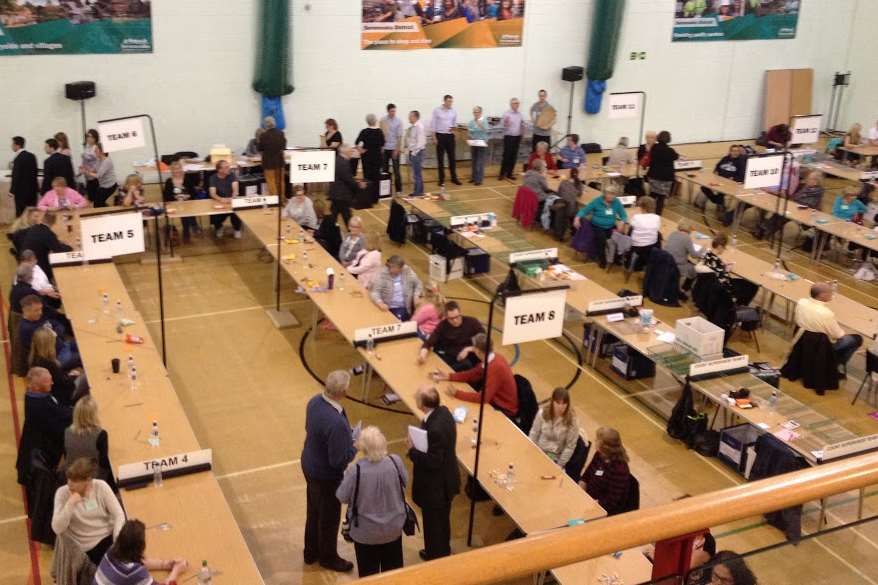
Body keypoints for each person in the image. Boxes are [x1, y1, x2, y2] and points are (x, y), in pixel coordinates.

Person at [301, 370, 358, 572]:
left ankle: (310, 551)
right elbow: (338, 461)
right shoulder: (336, 423)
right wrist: (354, 445)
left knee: (313, 510)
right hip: (325, 475)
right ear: (342, 392)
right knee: (329, 518)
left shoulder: (315, 402)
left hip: (309, 463)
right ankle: (328, 557)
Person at [336, 426, 407, 577]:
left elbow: (342, 496)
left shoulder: (355, 470)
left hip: (365, 532)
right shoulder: (396, 462)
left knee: (369, 575)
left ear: (363, 448)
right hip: (393, 528)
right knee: (394, 574)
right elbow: (404, 483)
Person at [407, 385, 459, 560]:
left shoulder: (435, 429)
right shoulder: (444, 412)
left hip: (436, 488)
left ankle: (436, 556)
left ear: (422, 404)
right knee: (441, 522)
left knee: (434, 524)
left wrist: (412, 451)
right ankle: (439, 550)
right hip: (447, 480)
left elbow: (433, 461)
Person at [52, 458, 124, 566]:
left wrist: (116, 539)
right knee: (119, 567)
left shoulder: (101, 486)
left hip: (109, 536)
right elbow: (57, 528)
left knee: (133, 558)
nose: (69, 484)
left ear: (88, 480)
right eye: (69, 479)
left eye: (75, 481)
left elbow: (119, 514)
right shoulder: (62, 493)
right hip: (89, 547)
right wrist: (70, 503)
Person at [432, 333, 519, 418]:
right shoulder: (493, 358)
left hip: (503, 410)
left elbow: (483, 398)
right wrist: (449, 376)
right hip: (494, 401)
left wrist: (457, 394)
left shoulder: (496, 367)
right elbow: (471, 374)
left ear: (477, 350)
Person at [16, 367, 73, 483]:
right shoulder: (39, 405)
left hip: (37, 451)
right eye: (48, 381)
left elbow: (58, 411)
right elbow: (58, 423)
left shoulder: (35, 395)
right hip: (40, 459)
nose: (52, 383)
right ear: (36, 386)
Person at [92, 519, 189, 585]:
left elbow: (142, 562)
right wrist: (176, 570)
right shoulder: (132, 571)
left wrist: (167, 564)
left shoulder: (112, 550)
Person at [795, 282, 863, 372]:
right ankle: (834, 364)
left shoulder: (801, 302)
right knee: (856, 339)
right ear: (822, 295)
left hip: (801, 338)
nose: (832, 294)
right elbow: (838, 336)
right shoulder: (826, 313)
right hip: (819, 345)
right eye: (830, 292)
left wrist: (822, 286)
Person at [578, 427, 632, 516]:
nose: (595, 441)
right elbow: (586, 476)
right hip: (588, 498)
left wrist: (589, 505)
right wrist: (581, 488)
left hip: (601, 508)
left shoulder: (620, 470)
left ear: (605, 446)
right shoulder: (600, 454)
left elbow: (610, 501)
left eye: (597, 440)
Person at [758, 170, 824, 240]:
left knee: (782, 216)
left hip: (804, 215)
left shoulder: (817, 192)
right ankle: (765, 229)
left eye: (810, 178)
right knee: (780, 213)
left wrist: (794, 204)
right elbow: (796, 197)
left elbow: (807, 205)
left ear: (816, 182)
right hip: (796, 209)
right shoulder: (806, 188)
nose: (807, 180)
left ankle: (765, 230)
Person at [418, 300, 485, 370]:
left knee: (466, 365)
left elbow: (485, 342)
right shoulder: (442, 325)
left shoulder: (473, 323)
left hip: (469, 359)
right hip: (450, 358)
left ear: (460, 312)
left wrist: (468, 349)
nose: (455, 320)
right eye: (451, 319)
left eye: (457, 317)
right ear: (446, 317)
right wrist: (422, 355)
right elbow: (429, 342)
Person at [19, 295, 80, 370]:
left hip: (63, 346)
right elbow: (41, 351)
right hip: (58, 357)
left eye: (40, 309)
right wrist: (54, 334)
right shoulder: (27, 329)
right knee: (84, 356)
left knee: (83, 342)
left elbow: (58, 324)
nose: (40, 312)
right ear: (26, 311)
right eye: (36, 310)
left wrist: (55, 333)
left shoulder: (37, 317)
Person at [695, 233, 759, 306]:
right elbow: (724, 280)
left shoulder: (707, 254)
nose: (724, 250)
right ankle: (739, 306)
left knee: (745, 283)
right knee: (753, 286)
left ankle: (738, 305)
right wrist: (725, 270)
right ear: (719, 247)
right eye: (724, 247)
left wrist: (722, 266)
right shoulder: (718, 263)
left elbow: (714, 267)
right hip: (723, 287)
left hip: (712, 285)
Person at [575, 187, 628, 268]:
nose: (611, 196)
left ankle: (616, 259)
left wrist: (622, 221)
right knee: (601, 240)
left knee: (621, 237)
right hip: (597, 226)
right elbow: (584, 210)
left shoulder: (616, 202)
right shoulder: (597, 201)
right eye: (609, 194)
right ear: (604, 194)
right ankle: (602, 260)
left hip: (610, 226)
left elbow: (623, 215)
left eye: (613, 194)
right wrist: (577, 218)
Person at [528, 387, 580, 467]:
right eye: (558, 403)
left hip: (555, 456)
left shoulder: (572, 421)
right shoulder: (542, 413)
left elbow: (570, 447)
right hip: (538, 449)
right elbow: (534, 433)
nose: (560, 407)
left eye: (564, 404)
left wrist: (559, 465)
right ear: (552, 402)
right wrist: (530, 449)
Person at [29, 328, 78, 406]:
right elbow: (65, 384)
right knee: (84, 379)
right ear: (48, 345)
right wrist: (72, 376)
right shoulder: (49, 365)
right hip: (61, 396)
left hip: (56, 390)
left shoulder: (33, 359)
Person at [20, 212, 73, 281]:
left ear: (42, 219)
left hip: (25, 261)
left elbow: (51, 243)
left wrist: (58, 242)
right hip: (37, 266)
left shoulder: (34, 228)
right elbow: (59, 251)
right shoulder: (48, 233)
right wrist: (69, 247)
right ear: (54, 222)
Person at [369, 255, 424, 321]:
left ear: (401, 268)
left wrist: (416, 295)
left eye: (394, 267)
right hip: (389, 307)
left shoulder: (407, 271)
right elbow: (375, 292)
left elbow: (418, 283)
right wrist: (380, 303)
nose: (391, 269)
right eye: (389, 267)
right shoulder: (382, 274)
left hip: (404, 307)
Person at [700, 144, 746, 215]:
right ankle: (717, 201)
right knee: (704, 187)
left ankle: (720, 206)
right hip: (719, 180)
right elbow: (717, 166)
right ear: (730, 151)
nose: (735, 152)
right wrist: (715, 172)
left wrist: (733, 178)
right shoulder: (725, 158)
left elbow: (741, 175)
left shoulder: (741, 162)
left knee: (721, 192)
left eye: (737, 151)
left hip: (730, 183)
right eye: (733, 151)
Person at [329, 146, 366, 228]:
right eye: (350, 151)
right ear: (345, 152)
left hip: (335, 194)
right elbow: (348, 179)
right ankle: (352, 233)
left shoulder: (337, 159)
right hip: (342, 195)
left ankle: (328, 232)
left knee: (333, 216)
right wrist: (359, 185)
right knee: (347, 217)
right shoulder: (343, 163)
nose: (351, 153)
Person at [665, 220, 704, 297]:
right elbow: (694, 255)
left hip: (667, 261)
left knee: (689, 262)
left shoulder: (673, 234)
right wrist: (702, 249)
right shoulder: (687, 238)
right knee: (694, 269)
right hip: (677, 265)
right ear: (689, 229)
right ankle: (683, 290)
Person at [163, 161, 199, 243]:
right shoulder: (169, 181)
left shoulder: (187, 179)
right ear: (172, 170)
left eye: (179, 168)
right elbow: (166, 196)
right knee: (183, 211)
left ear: (181, 169)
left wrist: (187, 196)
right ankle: (191, 228)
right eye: (175, 169)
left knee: (186, 210)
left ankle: (187, 231)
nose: (177, 171)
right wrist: (175, 197)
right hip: (174, 204)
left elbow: (194, 193)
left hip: (187, 202)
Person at [646, 130, 679, 215]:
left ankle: (646, 212)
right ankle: (657, 216)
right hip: (665, 178)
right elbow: (676, 156)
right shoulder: (670, 151)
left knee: (652, 195)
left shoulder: (654, 147)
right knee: (661, 198)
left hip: (653, 176)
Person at [431, 95, 461, 187]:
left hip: (450, 136)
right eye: (448, 101)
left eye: (451, 101)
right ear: (444, 101)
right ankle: (441, 179)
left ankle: (454, 178)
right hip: (440, 136)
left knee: (452, 158)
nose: (450, 103)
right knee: (440, 159)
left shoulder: (453, 111)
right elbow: (433, 124)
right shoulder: (437, 110)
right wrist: (434, 137)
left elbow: (454, 124)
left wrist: (455, 134)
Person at [209, 160, 242, 239]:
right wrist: (221, 199)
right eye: (226, 167)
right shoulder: (213, 178)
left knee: (236, 212)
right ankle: (219, 228)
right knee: (215, 216)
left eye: (228, 166)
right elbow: (212, 193)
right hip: (219, 201)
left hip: (231, 200)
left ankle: (237, 229)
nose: (229, 168)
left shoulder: (232, 175)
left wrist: (232, 197)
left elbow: (235, 190)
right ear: (220, 170)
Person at [629, 196, 662, 269]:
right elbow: (657, 228)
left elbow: (632, 226)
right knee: (658, 235)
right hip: (651, 246)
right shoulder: (657, 218)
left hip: (637, 245)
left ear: (642, 207)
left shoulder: (636, 217)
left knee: (630, 231)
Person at [258, 116, 287, 197]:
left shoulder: (263, 135)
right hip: (280, 161)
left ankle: (274, 202)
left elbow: (260, 148)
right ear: (274, 123)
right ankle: (281, 200)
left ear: (266, 125)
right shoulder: (281, 133)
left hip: (268, 162)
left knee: (271, 182)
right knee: (280, 181)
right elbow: (283, 147)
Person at [10, 136, 39, 216]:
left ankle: (21, 228)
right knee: (31, 214)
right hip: (32, 190)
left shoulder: (18, 158)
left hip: (21, 192)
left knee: (20, 214)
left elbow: (16, 176)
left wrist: (12, 190)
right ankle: (33, 228)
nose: (11, 146)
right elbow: (35, 172)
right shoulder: (32, 156)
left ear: (17, 145)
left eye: (12, 144)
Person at [356, 114, 386, 190]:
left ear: (367, 121)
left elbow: (357, 143)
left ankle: (367, 195)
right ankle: (375, 196)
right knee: (376, 176)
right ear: (375, 121)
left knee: (367, 176)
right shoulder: (379, 132)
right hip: (377, 157)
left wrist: (361, 150)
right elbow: (382, 145)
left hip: (366, 158)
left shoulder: (364, 131)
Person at [82, 143, 117, 208]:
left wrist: (86, 172)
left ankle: (105, 211)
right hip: (103, 185)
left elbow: (98, 175)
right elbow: (94, 169)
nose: (94, 151)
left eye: (96, 149)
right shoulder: (99, 159)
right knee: (97, 202)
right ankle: (104, 208)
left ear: (102, 151)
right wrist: (85, 168)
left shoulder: (107, 161)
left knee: (97, 203)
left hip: (110, 186)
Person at [381, 104, 404, 195]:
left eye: (394, 111)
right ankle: (385, 191)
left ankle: (399, 190)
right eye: (391, 111)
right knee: (385, 170)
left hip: (394, 148)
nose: (393, 113)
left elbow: (399, 137)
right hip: (385, 148)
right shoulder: (383, 120)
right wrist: (382, 147)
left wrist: (397, 149)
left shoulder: (399, 121)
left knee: (396, 170)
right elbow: (381, 135)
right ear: (388, 111)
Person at [499, 98, 524, 181]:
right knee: (506, 156)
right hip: (509, 137)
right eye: (514, 103)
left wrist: (522, 134)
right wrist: (505, 123)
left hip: (517, 137)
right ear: (511, 104)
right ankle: (502, 174)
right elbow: (503, 125)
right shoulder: (507, 114)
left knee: (514, 156)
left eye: (517, 103)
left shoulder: (520, 114)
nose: (516, 105)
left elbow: (521, 124)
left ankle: (510, 173)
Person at [468, 106, 490, 186]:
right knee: (474, 161)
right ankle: (473, 177)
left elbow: (487, 131)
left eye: (477, 112)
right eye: (474, 112)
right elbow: (470, 132)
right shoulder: (471, 122)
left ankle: (479, 179)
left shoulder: (484, 121)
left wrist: (480, 125)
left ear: (480, 112)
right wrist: (470, 136)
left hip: (481, 143)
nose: (475, 113)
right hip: (474, 143)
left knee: (479, 162)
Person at [406, 110, 427, 196]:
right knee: (416, 173)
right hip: (414, 152)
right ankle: (419, 191)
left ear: (415, 117)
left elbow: (421, 142)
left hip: (417, 152)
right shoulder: (413, 127)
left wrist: (413, 152)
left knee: (416, 174)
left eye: (410, 116)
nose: (409, 118)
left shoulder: (419, 127)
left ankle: (418, 192)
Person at [79, 129, 100, 201]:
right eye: (88, 136)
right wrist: (82, 168)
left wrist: (91, 171)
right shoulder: (87, 147)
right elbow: (84, 161)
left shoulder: (96, 147)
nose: (89, 138)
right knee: (90, 197)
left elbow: (99, 162)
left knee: (95, 197)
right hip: (87, 175)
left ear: (95, 138)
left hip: (94, 176)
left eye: (91, 137)